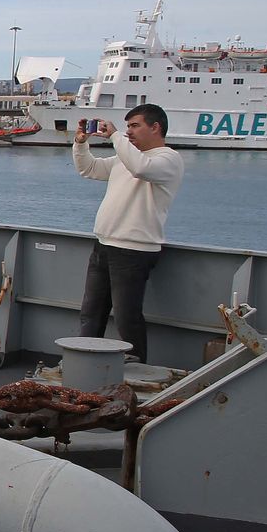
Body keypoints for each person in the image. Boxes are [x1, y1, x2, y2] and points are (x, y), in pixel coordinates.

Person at [73, 104, 182, 363]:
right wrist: (80, 143)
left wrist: (114, 136)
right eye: (127, 127)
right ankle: (84, 361)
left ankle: (137, 366)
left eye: (135, 126)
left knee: (127, 317)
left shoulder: (168, 159)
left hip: (134, 250)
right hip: (104, 245)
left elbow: (141, 169)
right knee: (91, 313)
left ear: (155, 127)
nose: (129, 132)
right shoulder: (126, 157)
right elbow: (89, 169)